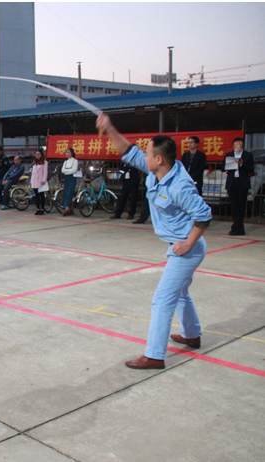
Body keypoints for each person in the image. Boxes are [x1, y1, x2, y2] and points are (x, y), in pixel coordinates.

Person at [97, 113, 212, 370]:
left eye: (148, 153)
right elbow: (129, 152)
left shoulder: (180, 186)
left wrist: (187, 244)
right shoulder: (157, 172)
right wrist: (109, 127)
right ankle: (192, 334)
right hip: (180, 246)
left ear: (159, 159)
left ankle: (155, 355)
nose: (144, 157)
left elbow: (204, 215)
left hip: (187, 249)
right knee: (180, 293)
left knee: (162, 299)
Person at [221, 137, 254, 236]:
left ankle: (238, 227)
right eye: (236, 147)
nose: (238, 149)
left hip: (242, 183)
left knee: (241, 205)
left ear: (242, 146)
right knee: (234, 206)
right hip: (232, 183)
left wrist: (241, 164)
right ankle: (236, 226)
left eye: (240, 147)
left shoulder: (248, 155)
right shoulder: (229, 155)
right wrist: (228, 165)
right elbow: (222, 167)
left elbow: (251, 168)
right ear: (233, 146)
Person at [61, 148, 79, 216]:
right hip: (66, 178)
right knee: (66, 192)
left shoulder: (75, 161)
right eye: (66, 152)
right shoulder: (65, 162)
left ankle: (67, 208)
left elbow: (74, 170)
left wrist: (67, 171)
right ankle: (69, 208)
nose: (67, 154)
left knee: (70, 192)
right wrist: (68, 171)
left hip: (72, 178)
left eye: (69, 152)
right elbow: (62, 170)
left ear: (72, 153)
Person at [30, 148, 48, 215]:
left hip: (40, 181)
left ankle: (42, 209)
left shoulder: (44, 162)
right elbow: (33, 173)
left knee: (41, 195)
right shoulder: (34, 163)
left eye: (39, 154)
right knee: (36, 196)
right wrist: (31, 181)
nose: (37, 156)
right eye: (36, 154)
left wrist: (44, 180)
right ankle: (38, 208)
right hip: (35, 180)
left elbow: (45, 172)